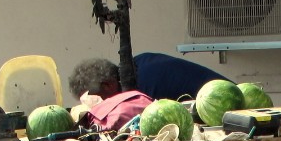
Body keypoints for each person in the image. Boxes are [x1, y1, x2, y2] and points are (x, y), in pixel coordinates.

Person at [68, 52, 230, 104]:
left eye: (97, 102)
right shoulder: (139, 64)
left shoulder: (144, 88)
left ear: (108, 86)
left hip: (233, 111)